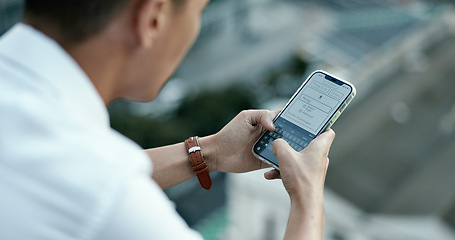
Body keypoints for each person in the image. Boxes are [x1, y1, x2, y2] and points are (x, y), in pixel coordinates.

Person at [0, 0, 335, 239]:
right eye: (198, 11)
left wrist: (212, 151)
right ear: (152, 18)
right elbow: (95, 185)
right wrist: (307, 195)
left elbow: (69, 172)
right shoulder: (110, 198)